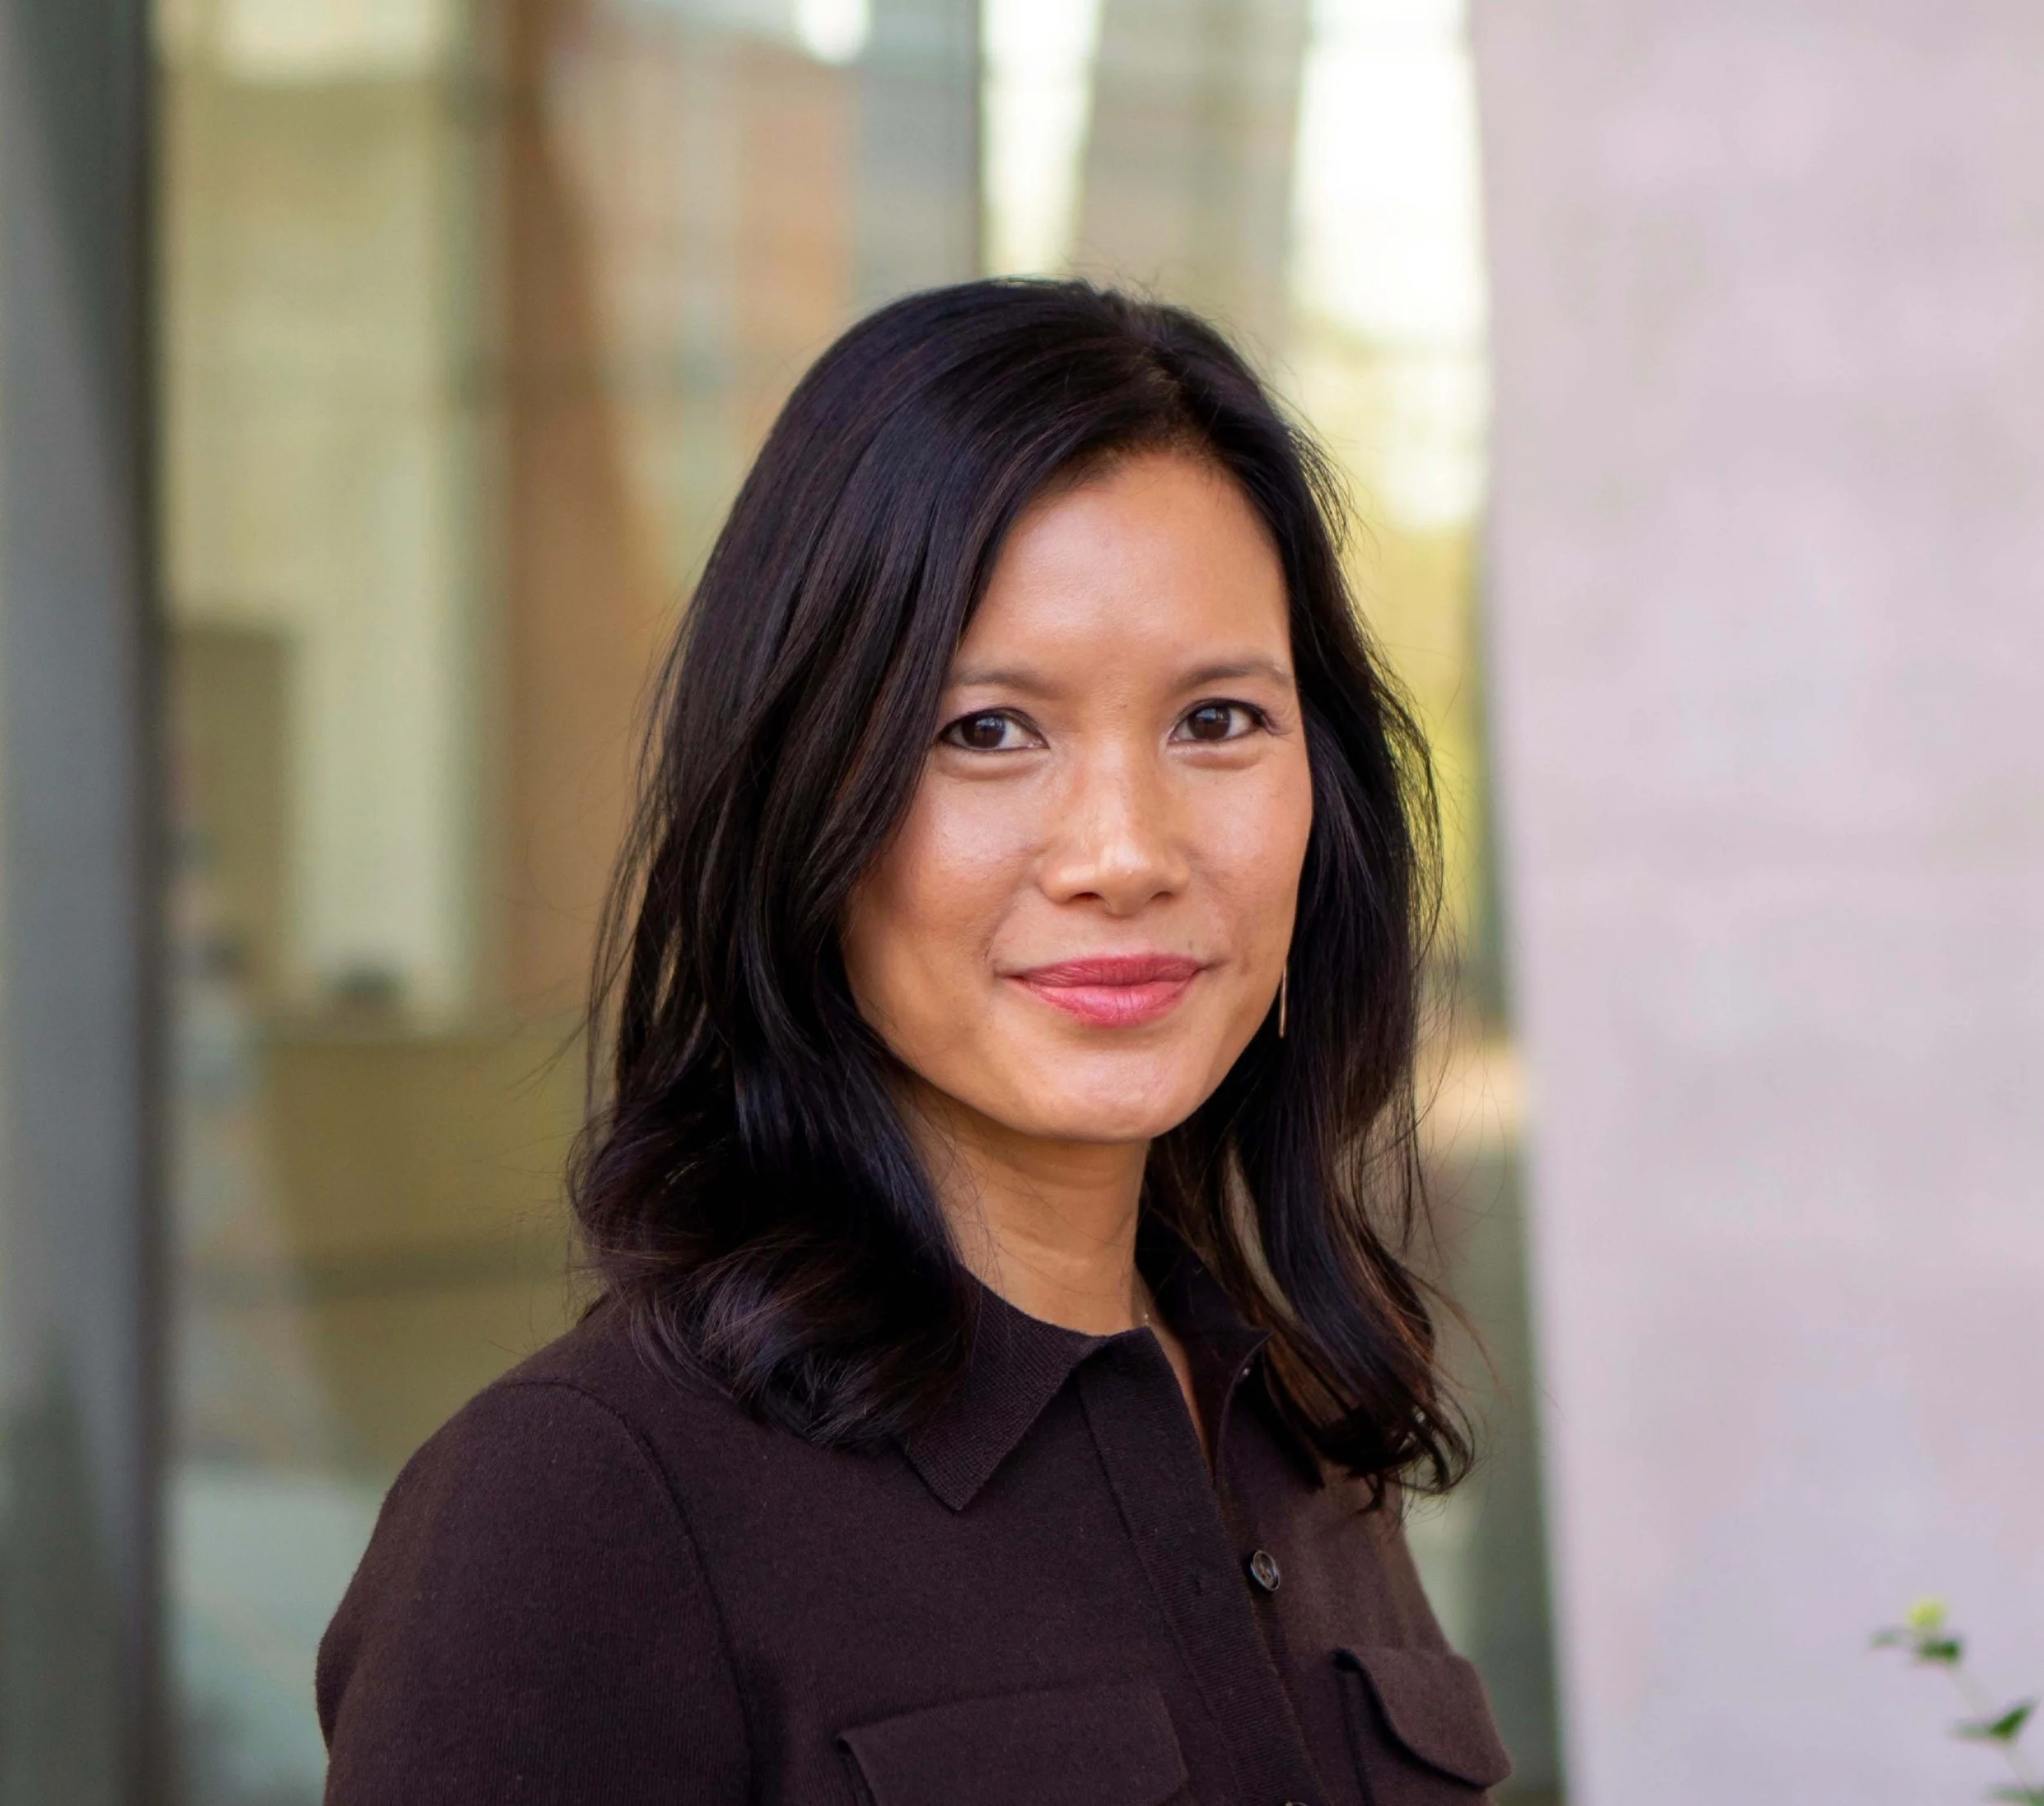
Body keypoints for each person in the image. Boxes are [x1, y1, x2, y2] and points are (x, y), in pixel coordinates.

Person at [316, 280, 1513, 1806]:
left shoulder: (1305, 1442)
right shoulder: (582, 1507)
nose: (1124, 853)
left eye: (1217, 721)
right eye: (987, 732)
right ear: (806, 793)